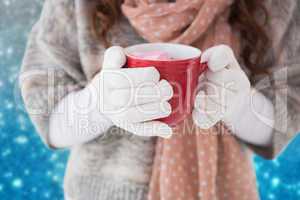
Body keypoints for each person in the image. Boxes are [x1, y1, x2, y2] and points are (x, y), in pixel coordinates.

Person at [19, 0, 300, 199]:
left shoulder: (276, 6)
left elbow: (284, 115)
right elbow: (47, 109)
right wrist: (98, 104)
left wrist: (240, 106)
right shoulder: (75, 5)